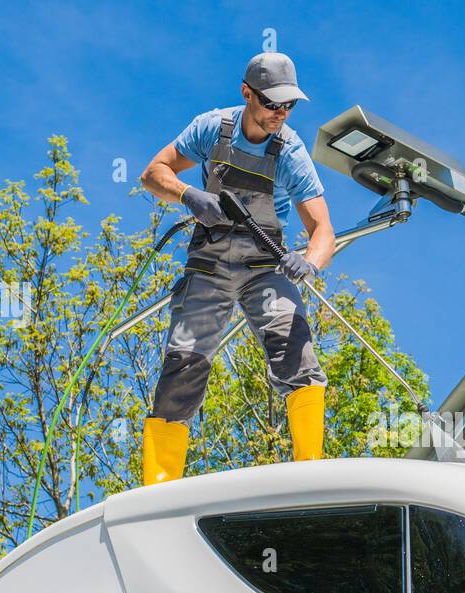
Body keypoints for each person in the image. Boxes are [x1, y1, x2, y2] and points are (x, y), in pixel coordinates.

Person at [138, 51, 335, 483]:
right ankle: (158, 484)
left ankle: (312, 472)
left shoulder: (291, 153)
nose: (280, 114)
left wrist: (310, 262)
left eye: (289, 105)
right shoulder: (213, 128)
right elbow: (153, 173)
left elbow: (323, 230)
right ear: (248, 93)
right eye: (271, 103)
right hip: (208, 264)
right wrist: (187, 194)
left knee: (295, 348)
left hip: (265, 267)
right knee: (183, 364)